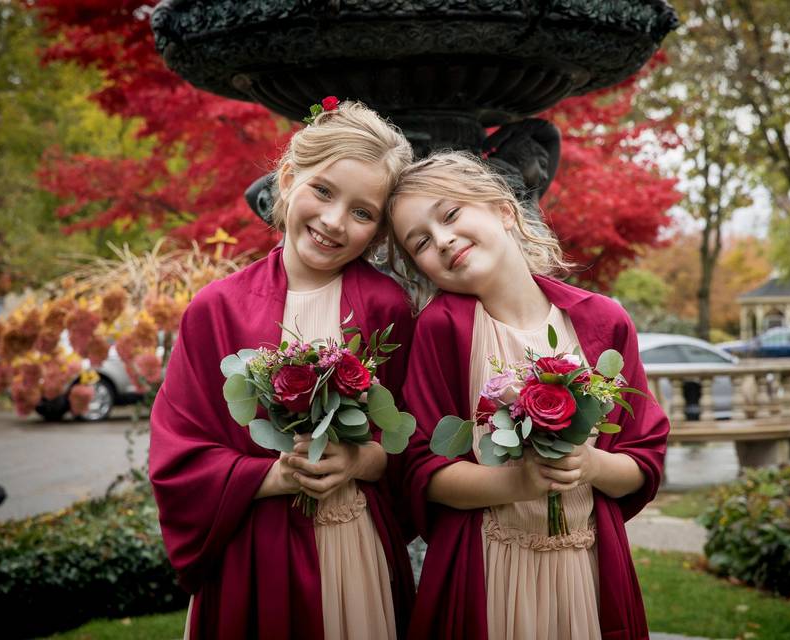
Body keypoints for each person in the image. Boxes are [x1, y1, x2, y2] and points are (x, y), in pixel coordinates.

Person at [149, 100, 416, 639]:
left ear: (380, 230)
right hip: (254, 549)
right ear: (289, 178)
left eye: (363, 213)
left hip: (354, 548)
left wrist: (362, 460)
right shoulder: (218, 308)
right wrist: (274, 474)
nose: (334, 222)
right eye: (323, 190)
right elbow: (178, 449)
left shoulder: (388, 308)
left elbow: (417, 435)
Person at [388, 151, 670, 639]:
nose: (443, 240)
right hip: (486, 569)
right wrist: (520, 484)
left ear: (502, 208)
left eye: (450, 214)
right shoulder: (441, 330)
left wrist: (592, 465)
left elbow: (643, 462)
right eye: (421, 243)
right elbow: (423, 471)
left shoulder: (604, 322)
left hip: (586, 569)